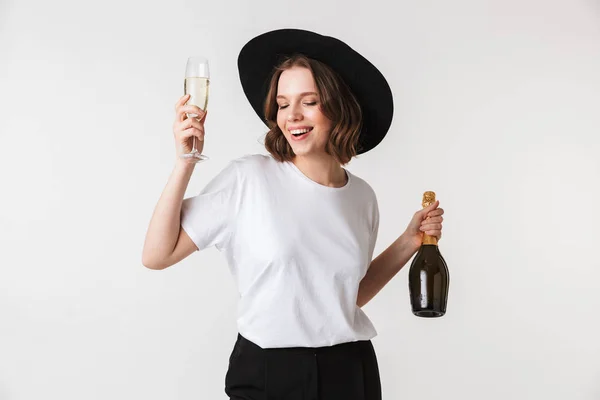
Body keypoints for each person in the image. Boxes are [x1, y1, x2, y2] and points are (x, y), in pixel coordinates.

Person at [142, 28, 444, 400]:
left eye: (309, 101)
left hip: (350, 371)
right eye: (283, 104)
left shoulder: (363, 197)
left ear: (339, 107)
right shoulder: (249, 178)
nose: (292, 116)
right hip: (268, 372)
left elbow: (347, 297)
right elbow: (157, 255)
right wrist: (186, 160)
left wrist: (409, 241)